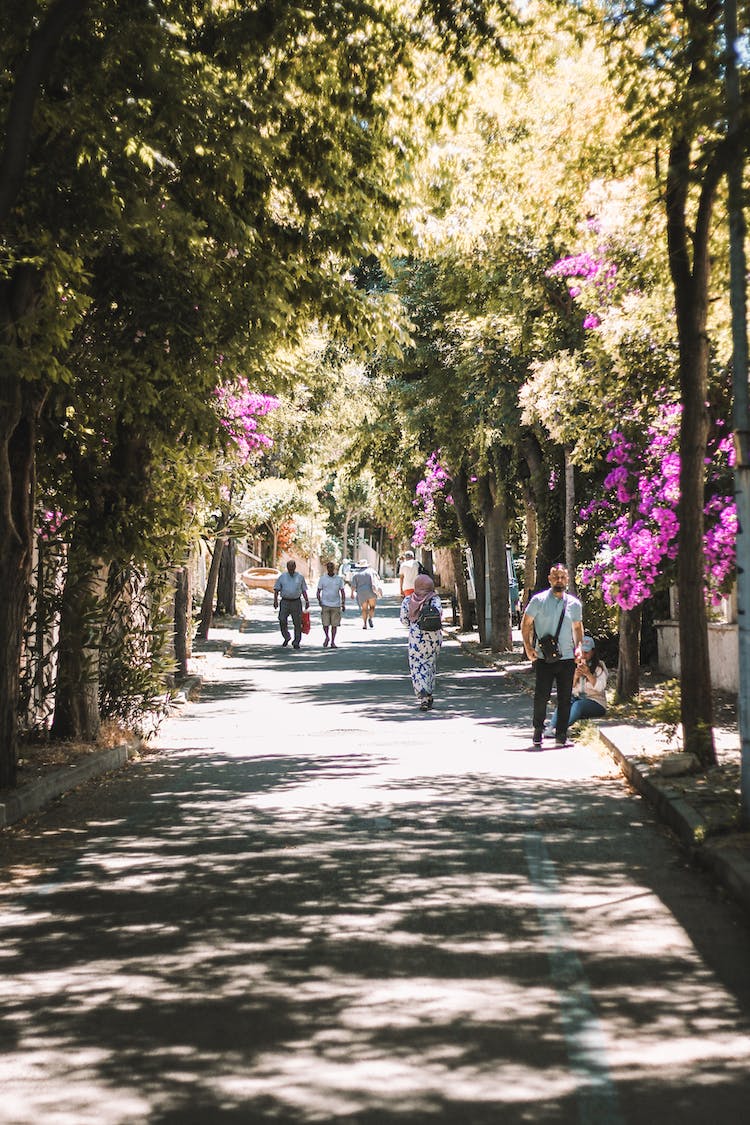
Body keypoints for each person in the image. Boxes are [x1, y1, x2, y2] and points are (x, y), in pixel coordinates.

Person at [521, 563, 584, 748]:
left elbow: (578, 627)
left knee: (565, 698)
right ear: (549, 579)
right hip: (544, 658)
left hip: (567, 659)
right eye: (556, 577)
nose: (559, 580)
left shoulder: (574, 604)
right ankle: (538, 731)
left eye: (563, 577)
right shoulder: (538, 601)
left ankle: (561, 735)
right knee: (541, 696)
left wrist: (579, 647)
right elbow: (526, 623)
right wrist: (527, 646)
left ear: (568, 579)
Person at [400, 573, 443, 710]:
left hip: (416, 637)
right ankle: (429, 693)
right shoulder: (435, 599)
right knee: (430, 664)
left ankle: (423, 694)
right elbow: (440, 614)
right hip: (434, 637)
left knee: (417, 665)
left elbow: (404, 620)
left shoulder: (408, 600)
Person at [548, 635, 608, 731]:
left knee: (578, 705)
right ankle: (550, 727)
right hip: (576, 698)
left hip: (596, 702)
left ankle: (561, 729)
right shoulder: (573, 665)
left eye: (586, 652)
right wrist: (575, 677)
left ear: (593, 652)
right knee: (564, 702)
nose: (583, 655)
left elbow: (600, 687)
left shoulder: (599, 666)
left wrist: (588, 674)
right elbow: (567, 689)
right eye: (581, 652)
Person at [273, 559, 309, 649]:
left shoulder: (300, 577)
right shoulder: (282, 577)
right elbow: (276, 589)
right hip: (285, 601)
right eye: (289, 567)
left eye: (292, 567)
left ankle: (296, 641)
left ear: (295, 567)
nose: (291, 569)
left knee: (297, 622)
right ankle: (286, 636)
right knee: (282, 619)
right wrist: (275, 601)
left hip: (296, 601)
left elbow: (304, 590)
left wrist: (307, 601)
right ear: (287, 568)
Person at [316, 561, 346, 648]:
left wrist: (343, 603)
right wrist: (319, 601)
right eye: (328, 567)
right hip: (325, 604)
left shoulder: (339, 579)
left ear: (334, 568)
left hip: (336, 605)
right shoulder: (323, 579)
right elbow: (318, 591)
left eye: (331, 567)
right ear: (327, 568)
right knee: (325, 624)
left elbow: (342, 591)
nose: (330, 569)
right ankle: (327, 637)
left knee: (334, 625)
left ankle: (333, 641)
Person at [350, 559, 382, 629]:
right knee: (372, 607)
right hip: (371, 591)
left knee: (364, 609)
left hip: (361, 593)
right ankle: (370, 618)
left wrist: (352, 593)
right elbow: (378, 579)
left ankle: (364, 624)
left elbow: (353, 586)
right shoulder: (372, 571)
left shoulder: (356, 574)